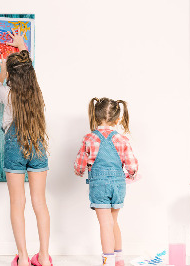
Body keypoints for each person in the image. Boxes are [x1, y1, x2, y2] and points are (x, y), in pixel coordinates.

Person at [0, 28, 52, 266]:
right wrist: (23, 46)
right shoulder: (37, 93)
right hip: (37, 146)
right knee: (40, 202)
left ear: (12, 77)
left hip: (14, 147)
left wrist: (2, 71)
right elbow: (29, 69)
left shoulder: (7, 94)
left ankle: (24, 258)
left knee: (18, 203)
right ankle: (44, 257)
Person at [74, 98, 139, 266]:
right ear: (117, 120)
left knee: (105, 224)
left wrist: (80, 171)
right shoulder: (122, 139)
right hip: (118, 185)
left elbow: (79, 164)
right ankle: (119, 260)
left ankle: (108, 261)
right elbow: (132, 165)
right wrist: (131, 176)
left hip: (99, 186)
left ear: (95, 117)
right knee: (113, 222)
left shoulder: (89, 138)